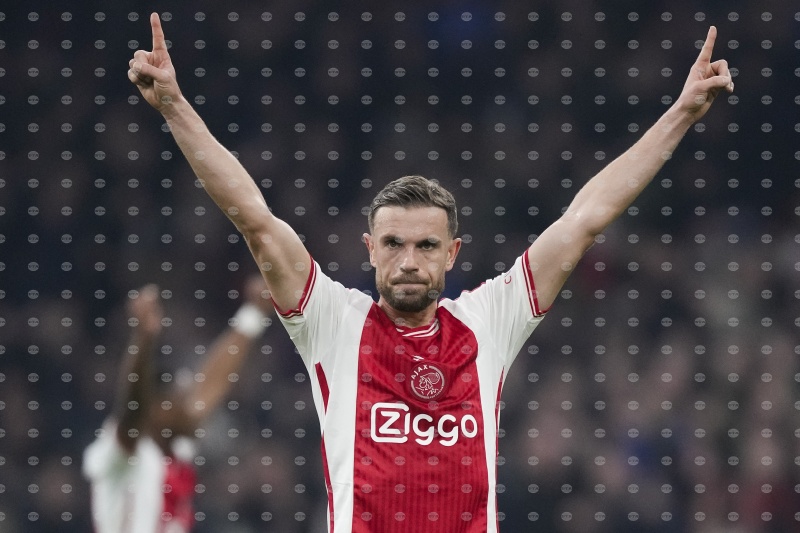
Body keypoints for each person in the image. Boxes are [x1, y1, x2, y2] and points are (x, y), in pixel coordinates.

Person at [127, 12, 733, 533]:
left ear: (453, 253)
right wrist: (175, 107)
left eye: (426, 245)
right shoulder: (333, 323)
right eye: (393, 244)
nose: (409, 260)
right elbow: (255, 219)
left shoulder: (488, 321)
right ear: (369, 249)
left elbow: (584, 220)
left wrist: (681, 113)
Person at [82, 277, 274, 533]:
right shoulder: (124, 452)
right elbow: (132, 406)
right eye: (175, 400)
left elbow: (212, 383)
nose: (185, 406)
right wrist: (144, 339)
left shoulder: (177, 445)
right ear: (154, 409)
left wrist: (254, 314)